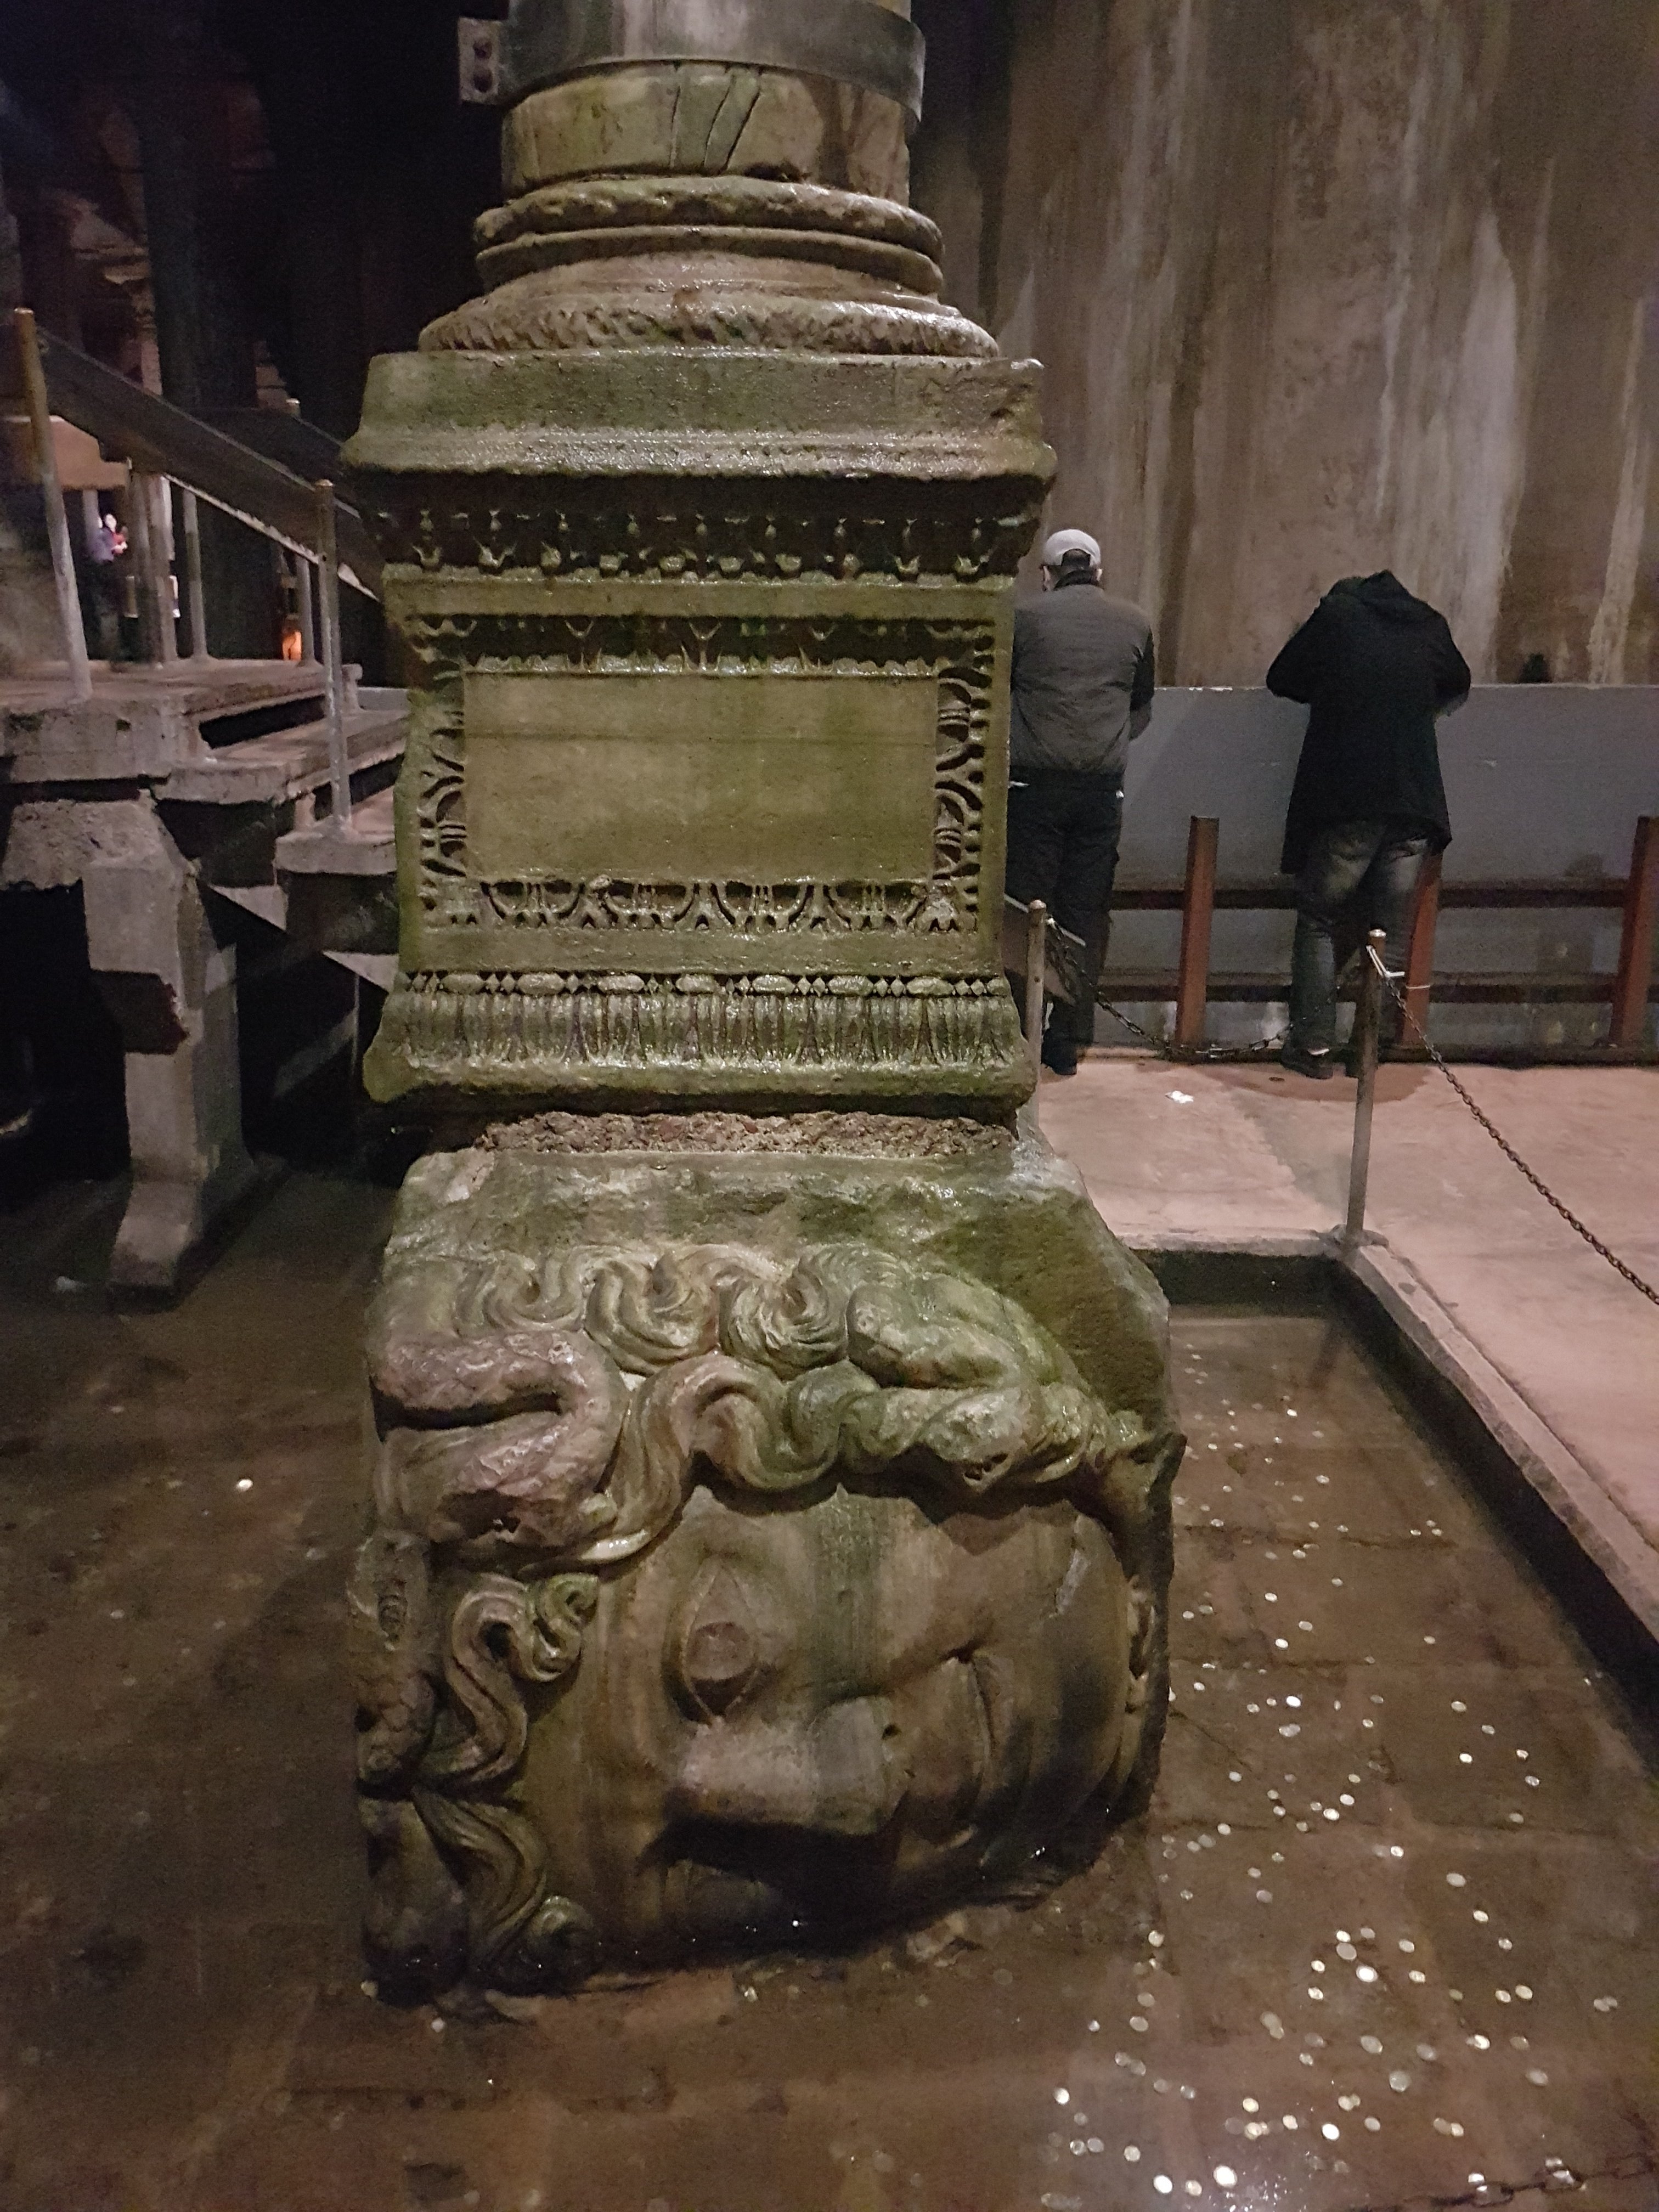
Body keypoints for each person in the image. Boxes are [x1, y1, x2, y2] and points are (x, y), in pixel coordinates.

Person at [1267, 570, 1470, 1078]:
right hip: (1415, 806)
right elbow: (1458, 682)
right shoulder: (1429, 623)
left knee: (1319, 916)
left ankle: (1314, 1048)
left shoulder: (1338, 616)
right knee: (1388, 931)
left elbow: (1282, 677)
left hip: (1349, 800)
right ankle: (1368, 1051)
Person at [1006, 527, 1155, 1076]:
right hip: (1099, 791)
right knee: (1083, 914)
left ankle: (1019, 1030)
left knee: (1026, 909)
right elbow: (1141, 699)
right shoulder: (1135, 623)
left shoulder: (1023, 620)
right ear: (1097, 572)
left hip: (1031, 786)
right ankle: (1067, 1039)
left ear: (1046, 575)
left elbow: (1003, 686)